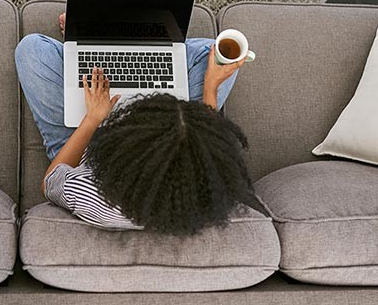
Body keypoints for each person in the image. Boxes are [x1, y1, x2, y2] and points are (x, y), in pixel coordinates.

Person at [14, 14, 261, 236]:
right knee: (218, 56)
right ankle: (130, 42)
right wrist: (211, 87)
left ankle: (104, 39)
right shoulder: (211, 184)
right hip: (155, 147)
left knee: (31, 50)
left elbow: (51, 181)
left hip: (82, 152)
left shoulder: (92, 194)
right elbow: (206, 140)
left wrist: (92, 120)